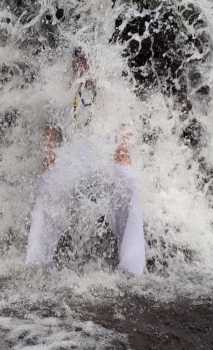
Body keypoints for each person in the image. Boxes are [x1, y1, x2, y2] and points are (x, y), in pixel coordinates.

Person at [26, 48, 146, 275]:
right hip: (72, 157)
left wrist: (122, 148)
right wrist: (49, 151)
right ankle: (36, 261)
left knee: (129, 183)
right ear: (73, 64)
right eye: (80, 61)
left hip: (106, 155)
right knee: (46, 187)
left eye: (89, 60)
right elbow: (50, 127)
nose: (85, 66)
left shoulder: (113, 90)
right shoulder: (62, 91)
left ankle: (132, 265)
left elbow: (128, 127)